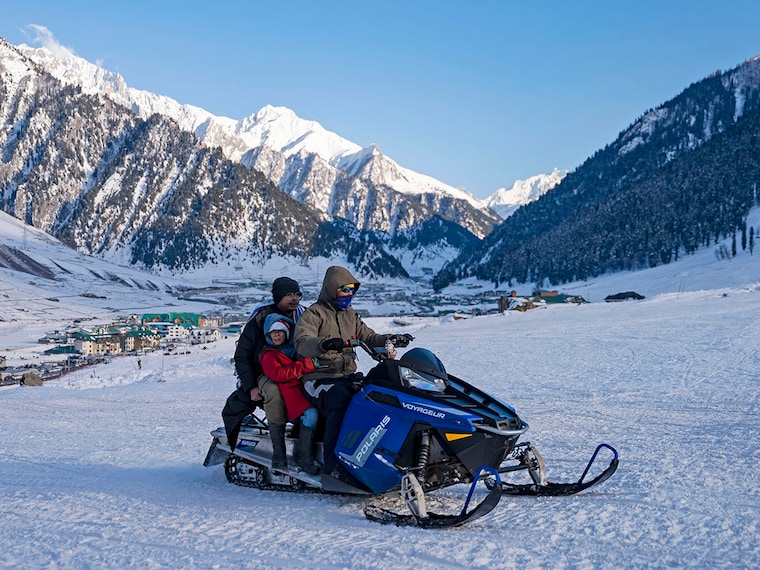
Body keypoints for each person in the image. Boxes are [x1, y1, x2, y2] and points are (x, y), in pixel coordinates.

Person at [294, 265, 412, 483]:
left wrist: (390, 339)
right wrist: (324, 343)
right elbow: (302, 342)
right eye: (344, 288)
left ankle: (376, 455)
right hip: (319, 378)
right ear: (332, 289)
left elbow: (368, 336)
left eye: (352, 289)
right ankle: (332, 466)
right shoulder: (314, 314)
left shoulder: (350, 315)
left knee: (378, 395)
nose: (349, 293)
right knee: (340, 402)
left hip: (346, 376)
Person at [221, 277, 305, 453]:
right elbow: (242, 356)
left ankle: (307, 445)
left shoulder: (304, 317)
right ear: (278, 296)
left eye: (297, 294)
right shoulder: (261, 318)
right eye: (288, 294)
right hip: (264, 374)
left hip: (295, 372)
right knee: (274, 393)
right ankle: (279, 453)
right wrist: (251, 386)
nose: (294, 298)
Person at [258, 314, 321, 474]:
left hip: (303, 388)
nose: (277, 334)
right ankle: (299, 457)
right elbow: (278, 374)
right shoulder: (268, 354)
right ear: (268, 335)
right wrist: (305, 365)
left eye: (281, 331)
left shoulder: (294, 350)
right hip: (289, 392)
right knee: (311, 414)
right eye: (274, 332)